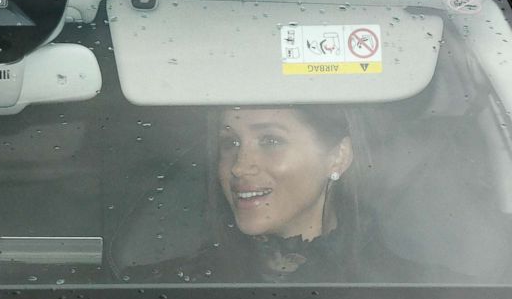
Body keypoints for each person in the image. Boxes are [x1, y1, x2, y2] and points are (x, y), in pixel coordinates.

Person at [126, 105, 424, 283]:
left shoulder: (410, 292)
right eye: (230, 143)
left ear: (338, 156)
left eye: (270, 140)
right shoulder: (167, 291)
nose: (240, 167)